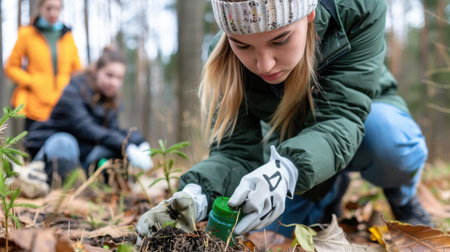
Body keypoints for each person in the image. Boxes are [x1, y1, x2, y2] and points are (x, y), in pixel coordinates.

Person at [136, 0, 432, 241]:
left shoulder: (355, 10)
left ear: (309, 14)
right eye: (243, 46)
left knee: (388, 142)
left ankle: (402, 196)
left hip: (362, 117)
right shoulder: (224, 57)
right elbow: (234, 153)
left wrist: (287, 171)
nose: (263, 64)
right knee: (270, 232)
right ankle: (325, 191)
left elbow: (343, 116)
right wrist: (196, 195)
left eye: (280, 40)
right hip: (298, 146)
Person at [22, 47, 153, 191]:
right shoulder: (73, 90)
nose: (114, 83)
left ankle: (100, 187)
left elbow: (114, 133)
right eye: (109, 75)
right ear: (96, 70)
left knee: (114, 146)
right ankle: (46, 184)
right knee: (65, 143)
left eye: (119, 78)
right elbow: (85, 127)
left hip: (83, 157)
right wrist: (126, 146)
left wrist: (138, 141)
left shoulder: (110, 102)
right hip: (53, 151)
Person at [4, 0, 81, 130]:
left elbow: (77, 70)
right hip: (35, 107)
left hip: (63, 105)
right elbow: (11, 67)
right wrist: (32, 81)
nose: (53, 13)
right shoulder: (27, 33)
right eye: (48, 8)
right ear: (40, 8)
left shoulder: (67, 36)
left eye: (56, 8)